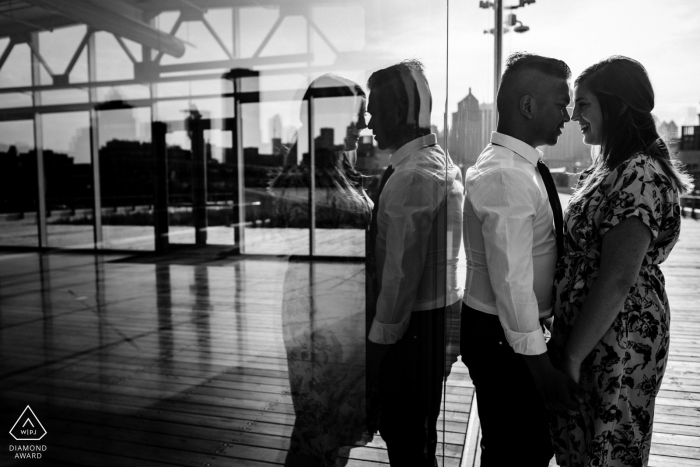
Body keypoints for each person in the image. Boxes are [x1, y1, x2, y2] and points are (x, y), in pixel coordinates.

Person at [549, 56, 692, 467]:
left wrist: (572, 356)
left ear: (616, 105)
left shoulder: (640, 173)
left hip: (617, 337)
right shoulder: (609, 168)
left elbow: (617, 277)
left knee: (606, 448)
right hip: (597, 331)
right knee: (585, 445)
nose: (574, 115)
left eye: (584, 104)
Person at [460, 52, 584, 467]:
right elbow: (512, 286)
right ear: (528, 106)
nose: (567, 115)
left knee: (512, 447)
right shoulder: (508, 176)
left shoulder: (518, 166)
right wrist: (543, 372)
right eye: (560, 103)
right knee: (519, 452)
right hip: (504, 340)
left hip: (507, 335)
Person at [365, 59, 463, 466]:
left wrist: (373, 354)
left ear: (397, 110)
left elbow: (398, 282)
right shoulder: (436, 161)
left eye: (374, 109)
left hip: (411, 334)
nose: (369, 120)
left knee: (406, 439)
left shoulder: (411, 177)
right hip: (433, 323)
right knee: (418, 435)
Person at [275, 74, 374, 466]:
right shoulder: (304, 174)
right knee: (319, 425)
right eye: (358, 115)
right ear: (330, 116)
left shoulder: (336, 167)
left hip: (344, 310)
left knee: (340, 422)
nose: (364, 124)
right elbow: (297, 236)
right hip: (319, 311)